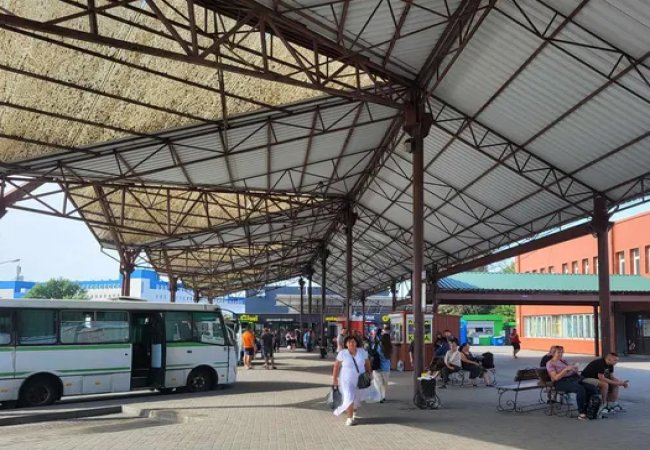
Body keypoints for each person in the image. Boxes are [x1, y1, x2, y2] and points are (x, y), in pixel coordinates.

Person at [546, 346, 599, 420]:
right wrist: (565, 370)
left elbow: (569, 371)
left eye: (562, 352)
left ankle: (590, 409)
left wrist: (574, 369)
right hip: (560, 382)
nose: (561, 354)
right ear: (553, 353)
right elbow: (555, 378)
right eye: (558, 352)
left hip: (573, 379)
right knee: (580, 389)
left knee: (591, 387)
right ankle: (581, 412)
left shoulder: (563, 360)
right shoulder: (550, 364)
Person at [332, 335, 372, 426]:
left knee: (356, 398)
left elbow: (367, 363)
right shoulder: (342, 353)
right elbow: (336, 366)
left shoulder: (362, 352)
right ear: (346, 344)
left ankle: (354, 412)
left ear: (356, 343)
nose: (351, 343)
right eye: (349, 342)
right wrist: (334, 379)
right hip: (346, 379)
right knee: (349, 396)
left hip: (360, 379)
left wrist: (369, 373)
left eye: (353, 341)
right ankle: (349, 418)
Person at [373, 333, 392, 403]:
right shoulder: (390, 347)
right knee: (385, 383)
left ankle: (379, 396)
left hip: (377, 366)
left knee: (378, 383)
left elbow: (373, 353)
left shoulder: (378, 345)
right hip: (386, 368)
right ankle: (383, 396)